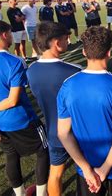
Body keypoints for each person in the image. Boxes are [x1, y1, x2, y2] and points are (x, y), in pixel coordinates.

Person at [0, 19, 49, 196]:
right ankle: (42, 193)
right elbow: (12, 101)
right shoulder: (15, 61)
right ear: (5, 35)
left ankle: (19, 193)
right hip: (22, 119)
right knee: (44, 150)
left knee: (11, 156)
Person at [57, 26, 112, 196]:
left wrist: (86, 169)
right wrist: (104, 169)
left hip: (86, 170)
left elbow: (63, 134)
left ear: (84, 52)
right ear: (109, 52)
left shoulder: (67, 86)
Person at [26, 22, 82, 196]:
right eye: (66, 39)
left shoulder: (31, 70)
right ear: (57, 43)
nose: (68, 41)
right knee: (86, 170)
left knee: (56, 173)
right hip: (77, 134)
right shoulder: (74, 72)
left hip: (52, 131)